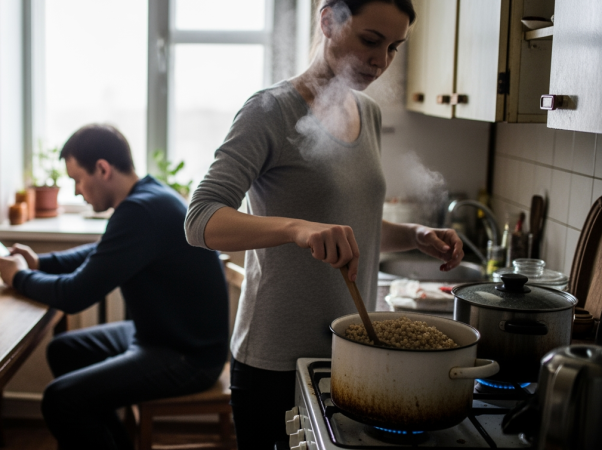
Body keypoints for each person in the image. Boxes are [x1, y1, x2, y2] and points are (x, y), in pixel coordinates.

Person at [184, 1, 464, 448]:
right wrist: (297, 228)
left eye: (394, 47)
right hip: (273, 359)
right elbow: (200, 220)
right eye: (371, 40)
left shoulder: (368, 113)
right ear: (328, 20)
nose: (381, 61)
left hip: (349, 354)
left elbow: (354, 227)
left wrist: (414, 236)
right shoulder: (269, 111)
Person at [0, 124, 229, 450]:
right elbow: (101, 253)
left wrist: (18, 277)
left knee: (59, 400)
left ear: (103, 169)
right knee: (63, 350)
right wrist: (38, 263)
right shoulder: (148, 197)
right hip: (158, 337)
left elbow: (75, 295)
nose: (76, 191)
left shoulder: (140, 211)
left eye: (77, 179)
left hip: (187, 357)